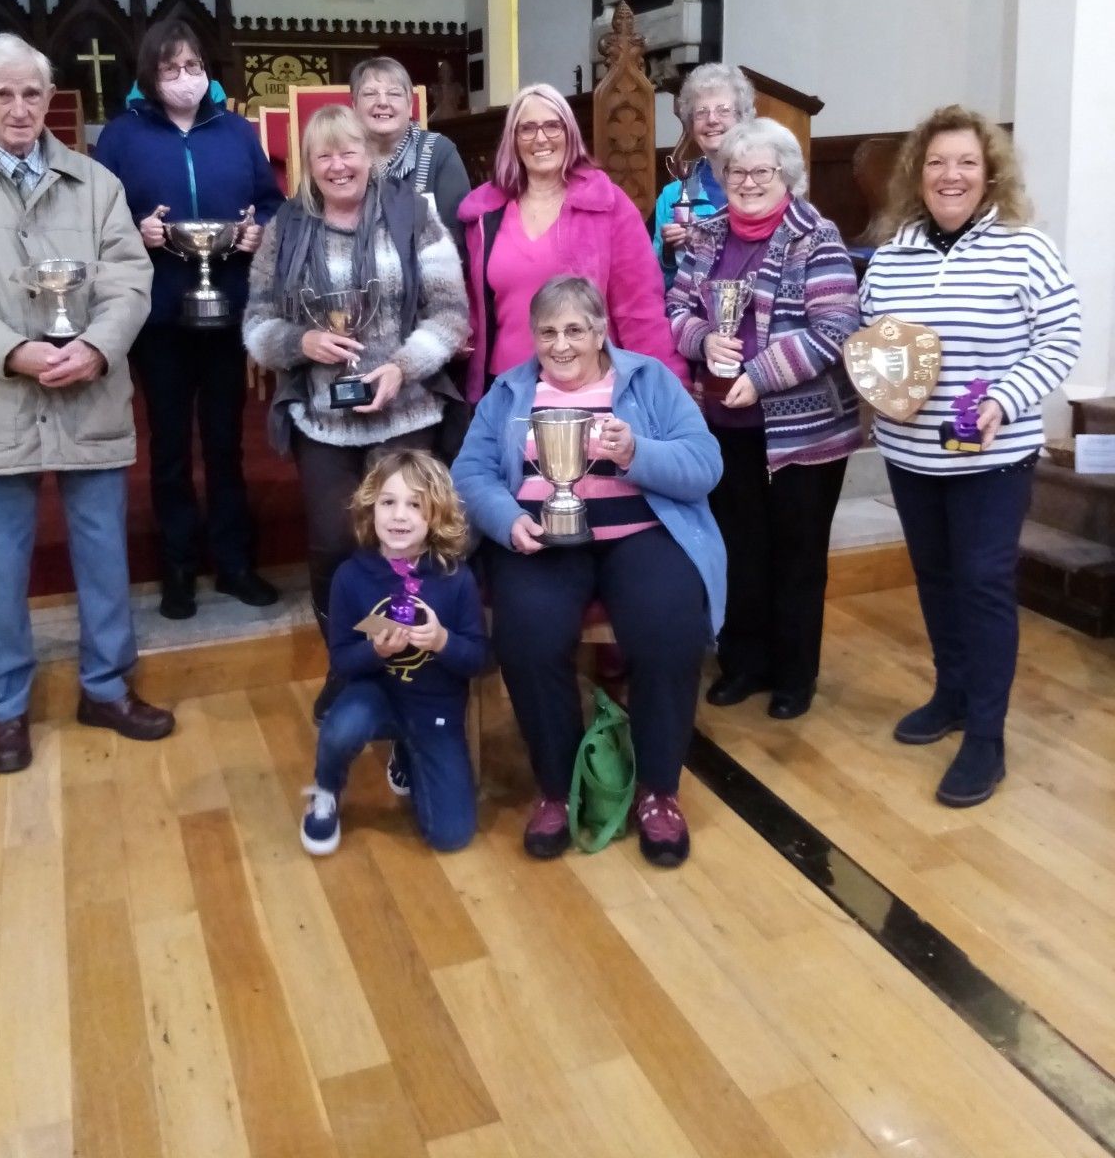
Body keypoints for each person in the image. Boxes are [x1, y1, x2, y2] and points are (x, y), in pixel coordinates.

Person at [0, 32, 175, 773]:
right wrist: (14, 352)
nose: (21, 107)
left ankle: (105, 686)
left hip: (88, 390)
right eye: (4, 93)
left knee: (102, 550)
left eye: (33, 93)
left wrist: (95, 346)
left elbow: (131, 279)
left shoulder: (96, 184)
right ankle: (5, 710)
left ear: (49, 98)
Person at [452, 275, 725, 868]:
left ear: (601, 330)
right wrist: (505, 520)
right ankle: (556, 788)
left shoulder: (649, 381)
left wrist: (637, 454)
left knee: (669, 630)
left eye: (576, 329)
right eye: (548, 332)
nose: (562, 344)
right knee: (527, 635)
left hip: (642, 535)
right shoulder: (508, 390)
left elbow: (706, 464)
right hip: (542, 539)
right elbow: (469, 473)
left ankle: (658, 791)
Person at [861, 106, 1081, 807]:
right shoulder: (892, 253)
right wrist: (877, 381)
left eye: (964, 163)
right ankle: (951, 693)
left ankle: (987, 736)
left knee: (983, 583)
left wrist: (1005, 399)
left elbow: (1061, 336)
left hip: (993, 455)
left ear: (989, 174)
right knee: (933, 576)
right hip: (912, 451)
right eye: (935, 163)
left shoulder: (1025, 249)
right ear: (917, 176)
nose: (949, 175)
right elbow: (874, 333)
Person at [243, 104, 469, 718]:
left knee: (414, 542)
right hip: (324, 419)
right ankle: (349, 663)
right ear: (309, 167)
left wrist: (402, 367)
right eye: (324, 155)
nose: (339, 165)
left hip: (409, 413)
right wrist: (300, 342)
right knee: (334, 545)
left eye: (350, 152)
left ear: (370, 156)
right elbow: (256, 323)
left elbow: (451, 314)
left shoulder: (413, 213)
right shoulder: (285, 227)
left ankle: (419, 666)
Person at [668, 117, 862, 719]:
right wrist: (703, 340)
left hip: (804, 431)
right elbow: (675, 306)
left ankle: (793, 676)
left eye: (762, 171)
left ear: (788, 177)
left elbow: (835, 329)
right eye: (736, 171)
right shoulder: (706, 235)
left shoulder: (816, 235)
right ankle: (744, 662)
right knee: (738, 549)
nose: (748, 182)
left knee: (797, 555)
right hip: (724, 425)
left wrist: (760, 374)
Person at [95, 20, 284, 620]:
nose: (185, 78)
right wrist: (134, 227)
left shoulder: (236, 132)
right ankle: (177, 568)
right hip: (158, 314)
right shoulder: (123, 138)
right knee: (171, 447)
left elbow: (272, 199)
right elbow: (96, 216)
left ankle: (233, 563)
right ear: (150, 75)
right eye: (171, 69)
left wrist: (259, 232)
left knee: (227, 444)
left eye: (194, 66)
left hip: (226, 305)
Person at [300, 449, 486, 856]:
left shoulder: (456, 579)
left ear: (436, 515)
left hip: (435, 707)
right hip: (376, 696)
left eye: (415, 505)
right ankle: (325, 790)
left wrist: (441, 642)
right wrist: (376, 652)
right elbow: (342, 660)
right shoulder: (351, 576)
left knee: (451, 837)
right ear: (371, 508)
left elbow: (477, 659)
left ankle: (408, 752)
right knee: (341, 726)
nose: (399, 516)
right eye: (388, 502)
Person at [457, 83, 687, 403]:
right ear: (513, 139)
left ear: (570, 133)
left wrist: (666, 393)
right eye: (527, 128)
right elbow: (471, 308)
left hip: (588, 388)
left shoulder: (607, 206)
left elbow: (639, 310)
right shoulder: (484, 214)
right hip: (504, 390)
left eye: (553, 125)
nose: (541, 138)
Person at [350, 56, 471, 249]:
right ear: (354, 106)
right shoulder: (339, 158)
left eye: (394, 94)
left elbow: (456, 237)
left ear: (410, 106)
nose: (382, 102)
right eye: (370, 94)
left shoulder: (439, 152)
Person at [652, 63, 756, 287]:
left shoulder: (763, 186)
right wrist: (670, 253)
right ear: (691, 124)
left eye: (723, 110)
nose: (712, 120)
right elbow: (655, 282)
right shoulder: (672, 197)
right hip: (688, 314)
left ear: (742, 117)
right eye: (701, 112)